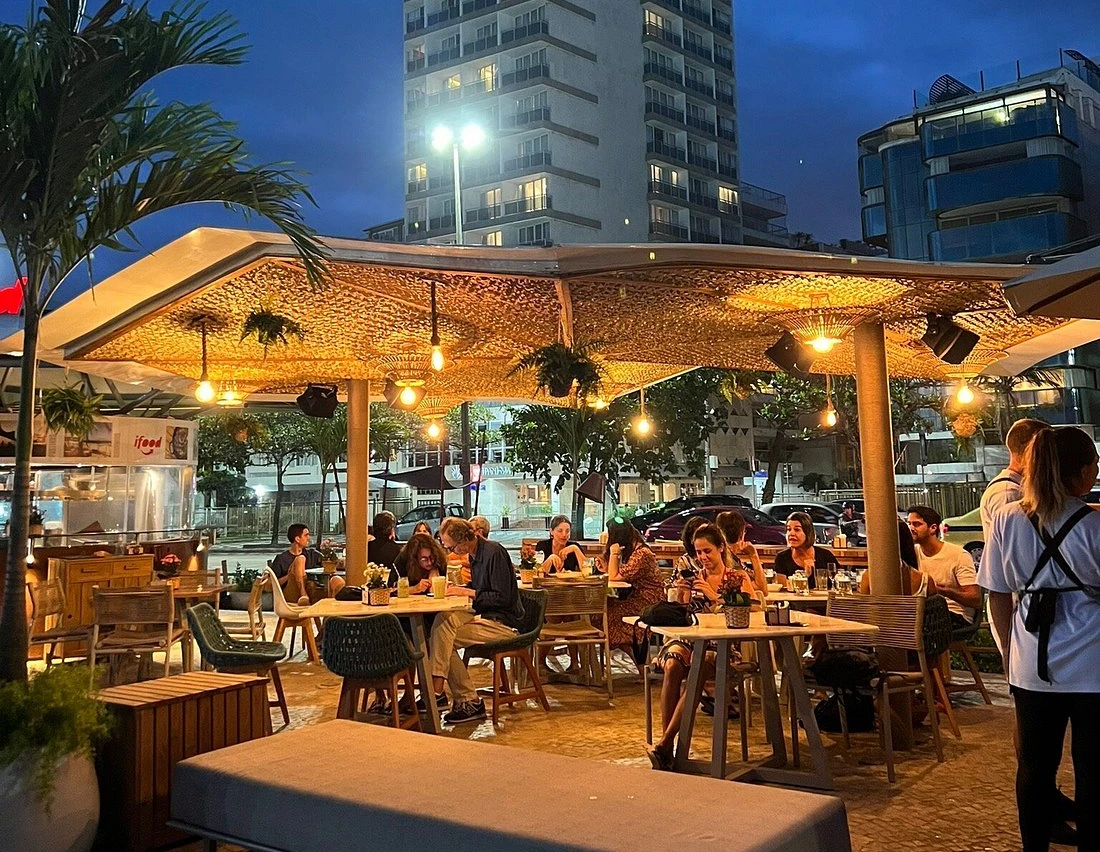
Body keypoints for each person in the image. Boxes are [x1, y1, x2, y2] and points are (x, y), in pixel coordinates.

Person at [981, 426, 1100, 852]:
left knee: (1034, 767)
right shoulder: (1095, 524)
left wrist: (1007, 652)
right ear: (1083, 471)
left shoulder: (1007, 520)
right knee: (1092, 768)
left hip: (1030, 664)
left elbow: (995, 592)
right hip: (1092, 667)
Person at [647, 524, 757, 770]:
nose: (702, 558)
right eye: (698, 553)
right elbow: (683, 615)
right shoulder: (696, 577)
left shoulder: (737, 577)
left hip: (722, 645)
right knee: (673, 663)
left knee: (704, 662)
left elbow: (756, 607)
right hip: (691, 639)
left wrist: (716, 595)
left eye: (707, 551)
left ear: (721, 548)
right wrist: (681, 595)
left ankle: (664, 744)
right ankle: (670, 746)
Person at [431, 517, 526, 724]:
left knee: (441, 639)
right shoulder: (474, 555)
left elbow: (502, 597)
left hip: (504, 622)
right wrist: (461, 591)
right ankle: (466, 699)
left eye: (452, 547)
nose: (451, 552)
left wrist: (466, 591)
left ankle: (447, 693)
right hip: (486, 616)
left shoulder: (494, 552)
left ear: (465, 539)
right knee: (441, 628)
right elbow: (481, 588)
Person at [907, 505, 981, 630]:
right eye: (909, 524)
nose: (911, 528)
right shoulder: (912, 553)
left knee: (914, 625)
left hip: (955, 614)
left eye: (917, 524)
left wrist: (945, 592)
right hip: (924, 612)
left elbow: (975, 599)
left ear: (933, 528)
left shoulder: (958, 555)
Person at [603, 519, 664, 653]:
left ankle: (630, 648)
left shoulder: (641, 555)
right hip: (636, 598)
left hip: (647, 604)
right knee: (604, 608)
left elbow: (613, 577)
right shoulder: (634, 551)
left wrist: (614, 553)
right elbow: (616, 575)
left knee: (605, 614)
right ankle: (631, 652)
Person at [773, 512, 837, 590]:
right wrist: (805, 576)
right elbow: (783, 588)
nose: (791, 533)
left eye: (797, 529)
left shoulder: (826, 556)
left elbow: (838, 581)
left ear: (808, 533)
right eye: (789, 529)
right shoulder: (782, 558)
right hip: (793, 601)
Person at [716, 510, 767, 594]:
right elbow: (762, 589)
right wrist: (753, 555)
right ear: (741, 534)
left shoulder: (730, 557)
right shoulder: (729, 561)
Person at [269, 523, 320, 605]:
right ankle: (303, 594)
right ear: (297, 539)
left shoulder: (312, 554)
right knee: (300, 559)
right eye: (306, 535)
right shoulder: (281, 559)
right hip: (290, 594)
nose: (309, 538)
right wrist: (290, 575)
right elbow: (270, 585)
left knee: (334, 581)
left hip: (310, 590)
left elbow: (329, 563)